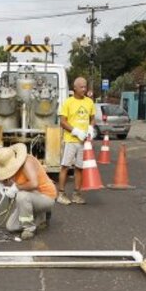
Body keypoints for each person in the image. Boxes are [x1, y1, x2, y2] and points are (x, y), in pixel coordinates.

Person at [0, 143, 57, 240]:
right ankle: (39, 216)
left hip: (46, 196)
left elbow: (34, 184)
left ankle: (29, 229)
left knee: (22, 196)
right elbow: (12, 181)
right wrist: (5, 187)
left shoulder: (27, 162)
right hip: (33, 196)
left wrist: (16, 188)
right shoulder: (14, 167)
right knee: (11, 227)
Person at [57, 77, 96, 205]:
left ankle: (76, 194)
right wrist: (76, 132)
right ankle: (61, 193)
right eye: (81, 87)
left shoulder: (89, 102)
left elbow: (92, 118)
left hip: (84, 142)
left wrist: (90, 129)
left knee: (80, 168)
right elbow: (62, 122)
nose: (84, 89)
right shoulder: (68, 102)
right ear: (75, 88)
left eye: (85, 87)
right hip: (71, 140)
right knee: (65, 166)